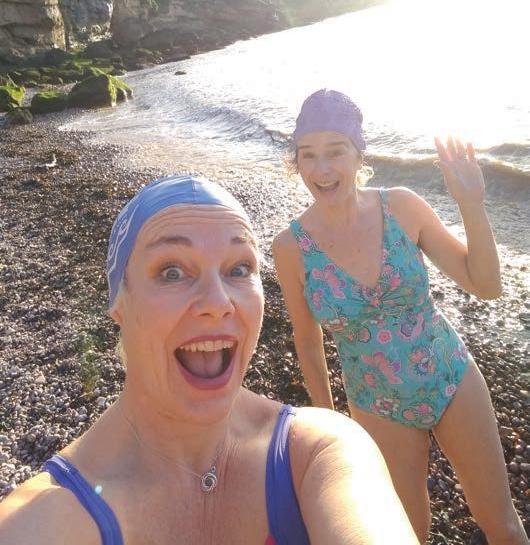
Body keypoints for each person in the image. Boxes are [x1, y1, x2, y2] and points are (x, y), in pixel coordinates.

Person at [0, 174, 418, 544]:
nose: (218, 303)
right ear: (119, 304)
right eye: (172, 272)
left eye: (239, 269)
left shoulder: (317, 453)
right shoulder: (46, 517)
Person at [272, 89, 528, 545]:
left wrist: (471, 203)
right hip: (376, 404)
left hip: (450, 376)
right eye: (308, 154)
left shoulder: (403, 207)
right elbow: (308, 343)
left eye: (335, 151)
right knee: (406, 535)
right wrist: (331, 423)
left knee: (503, 526)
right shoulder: (291, 248)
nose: (321, 169)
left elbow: (486, 285)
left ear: (358, 153)